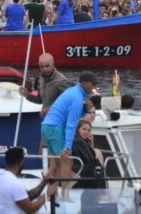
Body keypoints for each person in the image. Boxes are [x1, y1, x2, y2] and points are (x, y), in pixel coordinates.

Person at [41, 71, 98, 199]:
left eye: (95, 84)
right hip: (55, 129)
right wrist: (67, 146)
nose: (94, 86)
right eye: (92, 84)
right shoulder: (77, 98)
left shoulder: (73, 93)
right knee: (67, 162)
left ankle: (49, 196)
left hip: (47, 127)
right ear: (83, 83)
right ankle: (65, 197)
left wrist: (83, 110)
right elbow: (71, 125)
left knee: (55, 165)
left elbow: (69, 116)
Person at [0, 146, 50, 214]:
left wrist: (44, 182)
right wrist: (48, 194)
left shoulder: (0, 178)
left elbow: (25, 197)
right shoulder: (15, 183)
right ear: (21, 162)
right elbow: (30, 209)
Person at [19, 53, 73, 118]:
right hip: (46, 119)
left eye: (47, 66)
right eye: (42, 66)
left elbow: (71, 102)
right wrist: (27, 94)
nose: (44, 69)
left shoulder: (61, 81)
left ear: (53, 64)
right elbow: (39, 99)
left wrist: (50, 109)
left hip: (59, 120)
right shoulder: (39, 79)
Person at [71, 119, 105, 190]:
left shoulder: (80, 141)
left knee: (97, 166)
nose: (86, 132)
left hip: (79, 167)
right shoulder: (79, 142)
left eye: (88, 130)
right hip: (78, 168)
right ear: (77, 130)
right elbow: (91, 158)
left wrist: (91, 143)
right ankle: (102, 191)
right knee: (97, 166)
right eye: (84, 129)